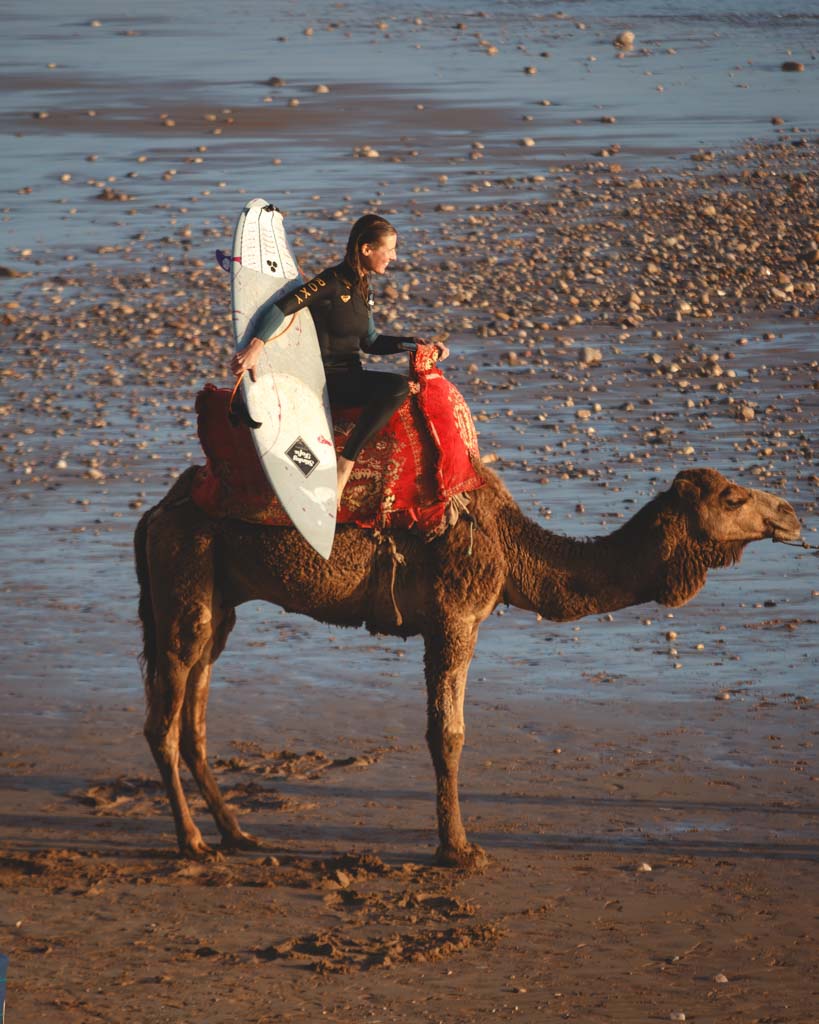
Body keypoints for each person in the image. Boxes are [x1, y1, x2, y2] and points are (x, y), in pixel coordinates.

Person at [230, 213, 448, 502]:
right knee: (396, 387)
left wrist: (416, 345)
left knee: (397, 387)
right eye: (390, 249)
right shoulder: (330, 282)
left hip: (350, 376)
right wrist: (255, 346)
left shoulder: (364, 289)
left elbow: (370, 343)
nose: (394, 257)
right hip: (322, 379)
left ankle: (345, 458)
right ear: (366, 249)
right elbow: (281, 307)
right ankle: (346, 464)